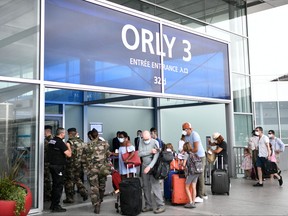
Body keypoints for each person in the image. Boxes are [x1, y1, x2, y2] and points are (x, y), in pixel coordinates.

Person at [81, 128, 111, 214]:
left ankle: (96, 205)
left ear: (90, 136)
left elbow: (83, 159)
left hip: (92, 170)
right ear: (98, 135)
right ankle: (100, 199)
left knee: (94, 188)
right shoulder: (105, 144)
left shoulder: (86, 146)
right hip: (103, 169)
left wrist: (86, 169)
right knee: (102, 186)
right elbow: (108, 155)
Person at [138, 130, 165, 214]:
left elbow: (156, 156)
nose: (145, 141)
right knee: (146, 186)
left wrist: (150, 167)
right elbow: (139, 154)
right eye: (144, 139)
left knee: (155, 185)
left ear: (150, 136)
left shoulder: (155, 142)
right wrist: (149, 151)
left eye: (147, 139)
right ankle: (148, 205)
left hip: (153, 167)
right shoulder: (141, 142)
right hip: (144, 166)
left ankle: (160, 205)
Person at [47, 127, 72, 212]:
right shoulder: (60, 143)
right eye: (64, 133)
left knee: (54, 185)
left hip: (52, 166)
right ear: (61, 134)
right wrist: (68, 146)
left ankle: (53, 205)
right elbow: (69, 154)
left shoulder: (52, 141)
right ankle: (56, 206)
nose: (65, 135)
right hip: (58, 167)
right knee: (58, 186)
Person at [182, 122, 207, 203]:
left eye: (186, 129)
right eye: (183, 129)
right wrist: (183, 151)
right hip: (192, 157)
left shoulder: (195, 135)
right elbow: (187, 147)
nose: (185, 131)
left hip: (200, 156)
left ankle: (201, 195)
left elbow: (196, 149)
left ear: (190, 129)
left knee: (200, 174)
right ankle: (198, 194)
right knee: (194, 175)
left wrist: (187, 152)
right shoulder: (186, 137)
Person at [63, 128, 88, 204]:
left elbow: (68, 155)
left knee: (69, 181)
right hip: (79, 164)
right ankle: (84, 191)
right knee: (77, 178)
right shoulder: (81, 142)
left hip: (70, 164)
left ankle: (69, 198)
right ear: (76, 133)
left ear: (69, 134)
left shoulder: (69, 143)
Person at [182, 142, 200, 209]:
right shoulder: (193, 153)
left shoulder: (186, 154)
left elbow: (184, 165)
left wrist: (181, 164)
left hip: (191, 173)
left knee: (186, 187)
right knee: (194, 187)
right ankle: (193, 202)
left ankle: (190, 202)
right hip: (197, 172)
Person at [44, 125, 53, 202]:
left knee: (47, 180)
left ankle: (48, 195)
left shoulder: (49, 140)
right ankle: (48, 194)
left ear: (47, 131)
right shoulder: (52, 140)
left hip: (47, 163)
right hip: (50, 162)